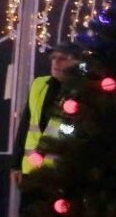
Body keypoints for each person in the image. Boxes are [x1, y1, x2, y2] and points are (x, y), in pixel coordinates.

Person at [12, 44, 81, 186]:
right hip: (31, 170)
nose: (56, 62)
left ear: (77, 63)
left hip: (61, 173)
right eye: (53, 58)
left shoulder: (80, 91)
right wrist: (16, 164)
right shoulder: (39, 84)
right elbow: (25, 125)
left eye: (62, 58)